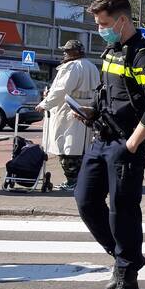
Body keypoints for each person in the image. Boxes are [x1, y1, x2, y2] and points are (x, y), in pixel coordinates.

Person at [72, 0, 145, 289]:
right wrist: (88, 111)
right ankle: (123, 258)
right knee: (85, 200)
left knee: (123, 210)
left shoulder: (144, 55)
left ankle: (128, 284)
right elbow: (109, 95)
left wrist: (133, 143)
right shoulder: (112, 51)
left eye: (104, 24)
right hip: (101, 138)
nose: (101, 30)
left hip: (126, 144)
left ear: (122, 20)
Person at [36, 40, 100, 191]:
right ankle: (83, 181)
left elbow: (61, 90)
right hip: (86, 110)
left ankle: (73, 181)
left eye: (67, 50)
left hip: (68, 111)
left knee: (66, 147)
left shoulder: (71, 67)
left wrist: (44, 103)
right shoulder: (91, 66)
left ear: (76, 52)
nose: (64, 53)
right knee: (82, 147)